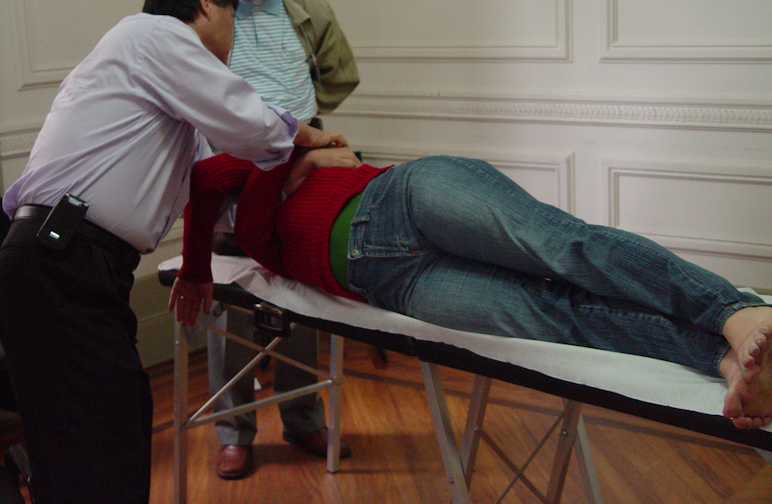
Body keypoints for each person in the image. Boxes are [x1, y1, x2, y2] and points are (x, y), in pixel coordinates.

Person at [0, 0, 347, 504]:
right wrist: (312, 139)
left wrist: (293, 180)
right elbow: (250, 123)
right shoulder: (151, 34)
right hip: (60, 258)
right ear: (207, 2)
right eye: (232, 20)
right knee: (96, 451)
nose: (234, 41)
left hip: (71, 262)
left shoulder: (169, 104)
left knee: (108, 430)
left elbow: (213, 188)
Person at [170, 148, 772, 431]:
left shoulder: (241, 158)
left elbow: (208, 178)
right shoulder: (249, 232)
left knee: (566, 247)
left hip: (401, 200)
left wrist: (195, 266)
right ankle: (718, 357)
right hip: (395, 285)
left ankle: (732, 311)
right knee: (554, 316)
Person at [206, 0, 359, 479]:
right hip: (229, 162)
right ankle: (233, 431)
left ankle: (303, 418)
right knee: (229, 297)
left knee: (302, 286)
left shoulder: (309, 8)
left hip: (301, 158)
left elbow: (341, 74)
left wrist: (299, 121)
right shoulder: (201, 8)